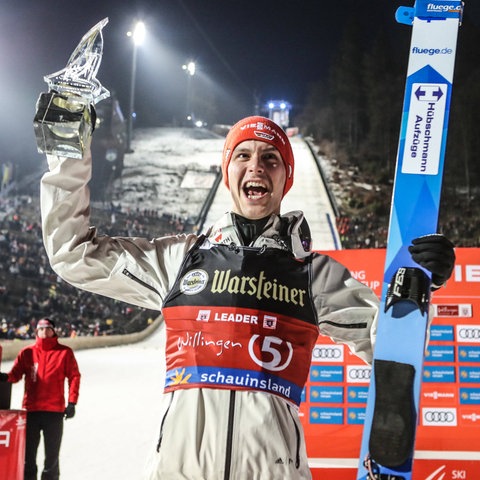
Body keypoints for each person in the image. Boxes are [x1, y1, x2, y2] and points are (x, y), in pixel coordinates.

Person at [38, 111, 454, 479]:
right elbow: (72, 253)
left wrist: (421, 284)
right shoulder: (181, 259)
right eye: (243, 155)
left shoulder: (313, 275)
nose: (256, 165)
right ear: (227, 173)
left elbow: (391, 344)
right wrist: (67, 145)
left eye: (270, 158)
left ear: (286, 178)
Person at [0, 318, 81, 480]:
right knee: (28, 457)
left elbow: (74, 377)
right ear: (36, 331)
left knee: (51, 458)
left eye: (48, 328)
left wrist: (72, 402)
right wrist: (3, 377)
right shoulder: (27, 353)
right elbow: (15, 375)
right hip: (31, 412)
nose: (44, 332)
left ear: (54, 331)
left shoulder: (64, 353)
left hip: (54, 413)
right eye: (41, 329)